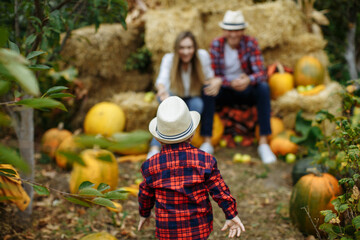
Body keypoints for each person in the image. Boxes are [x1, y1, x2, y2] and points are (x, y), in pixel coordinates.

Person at [138, 96, 245, 239]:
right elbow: (219, 190)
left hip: (168, 231)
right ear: (192, 134)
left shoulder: (150, 166)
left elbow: (145, 194)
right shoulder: (205, 160)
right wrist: (231, 213)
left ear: (158, 138)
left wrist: (144, 213)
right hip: (198, 229)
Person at [209, 10, 276, 164]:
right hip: (226, 89)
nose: (233, 34)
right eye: (230, 30)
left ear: (243, 31)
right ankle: (207, 140)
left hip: (246, 89)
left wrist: (248, 79)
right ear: (224, 30)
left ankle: (264, 143)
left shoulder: (251, 43)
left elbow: (261, 73)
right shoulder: (216, 45)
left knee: (264, 88)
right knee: (207, 89)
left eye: (237, 30)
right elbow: (212, 75)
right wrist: (227, 82)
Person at [147, 31, 221, 159]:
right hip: (173, 97)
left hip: (193, 96)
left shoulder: (202, 56)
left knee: (198, 104)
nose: (186, 52)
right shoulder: (169, 59)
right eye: (182, 48)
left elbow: (210, 77)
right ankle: (155, 148)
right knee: (165, 106)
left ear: (194, 48)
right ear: (177, 49)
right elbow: (161, 81)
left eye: (189, 47)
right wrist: (163, 92)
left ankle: (187, 147)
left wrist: (217, 81)